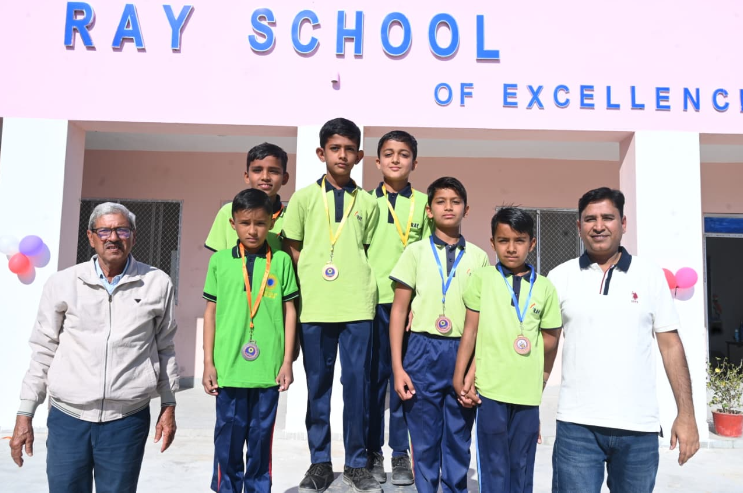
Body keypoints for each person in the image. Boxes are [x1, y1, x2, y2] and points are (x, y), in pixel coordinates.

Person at [9, 202, 179, 493]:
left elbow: (165, 347)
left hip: (127, 420)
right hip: (68, 418)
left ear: (133, 236)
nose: (113, 237)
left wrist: (168, 404)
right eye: (104, 231)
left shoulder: (156, 283)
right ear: (90, 237)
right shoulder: (63, 283)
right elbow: (43, 349)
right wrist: (25, 412)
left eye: (122, 230)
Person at [547, 187, 700, 492]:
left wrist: (687, 415)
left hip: (638, 430)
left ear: (623, 223)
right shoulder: (560, 277)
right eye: (590, 219)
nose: (598, 226)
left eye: (607, 217)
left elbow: (671, 347)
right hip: (577, 428)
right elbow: (547, 348)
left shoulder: (650, 276)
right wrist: (528, 410)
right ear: (578, 226)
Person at [282, 117, 381, 493]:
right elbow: (293, 248)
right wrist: (311, 278)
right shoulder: (304, 198)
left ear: (359, 156)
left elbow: (366, 248)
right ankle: (320, 463)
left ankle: (356, 463)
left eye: (349, 149)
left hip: (357, 306)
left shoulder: (368, 202)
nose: (342, 155)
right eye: (334, 148)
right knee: (317, 386)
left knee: (357, 385)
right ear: (321, 152)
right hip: (315, 306)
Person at [389, 177, 490, 493]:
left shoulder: (479, 257)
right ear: (429, 210)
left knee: (458, 437)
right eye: (441, 201)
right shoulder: (415, 252)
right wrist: (398, 367)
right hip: (422, 350)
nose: (449, 207)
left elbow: (482, 319)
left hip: (463, 350)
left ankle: (455, 488)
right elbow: (398, 311)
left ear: (466, 209)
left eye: (455, 202)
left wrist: (473, 370)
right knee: (424, 438)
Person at [453, 207, 563, 493]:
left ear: (532, 243)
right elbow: (471, 331)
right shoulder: (482, 278)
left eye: (519, 240)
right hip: (490, 391)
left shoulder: (546, 288)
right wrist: (460, 375)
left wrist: (539, 380)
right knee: (494, 465)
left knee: (521, 465)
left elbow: (550, 341)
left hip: (526, 395)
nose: (511, 248)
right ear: (492, 243)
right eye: (503, 240)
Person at [202, 188, 299, 493]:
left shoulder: (281, 261)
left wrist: (287, 361)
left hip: (267, 370)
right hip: (228, 369)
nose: (253, 230)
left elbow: (290, 311)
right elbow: (211, 312)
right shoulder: (219, 261)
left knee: (260, 440)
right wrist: (208, 363)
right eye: (245, 223)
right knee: (228, 440)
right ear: (233, 223)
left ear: (271, 223)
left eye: (260, 223)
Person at [365, 130, 429, 485]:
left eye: (403, 154)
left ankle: (401, 454)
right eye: (388, 153)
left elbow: (429, 257)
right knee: (373, 382)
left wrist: (421, 300)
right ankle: (372, 451)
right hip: (373, 303)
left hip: (410, 308)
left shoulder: (426, 203)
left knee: (405, 379)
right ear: (377, 161)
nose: (395, 159)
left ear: (414, 163)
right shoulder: (364, 202)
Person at [205, 142, 290, 253]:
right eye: (257, 170)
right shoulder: (228, 211)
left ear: (284, 178)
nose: (265, 177)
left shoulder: (291, 216)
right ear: (247, 176)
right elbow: (218, 259)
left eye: (273, 171)